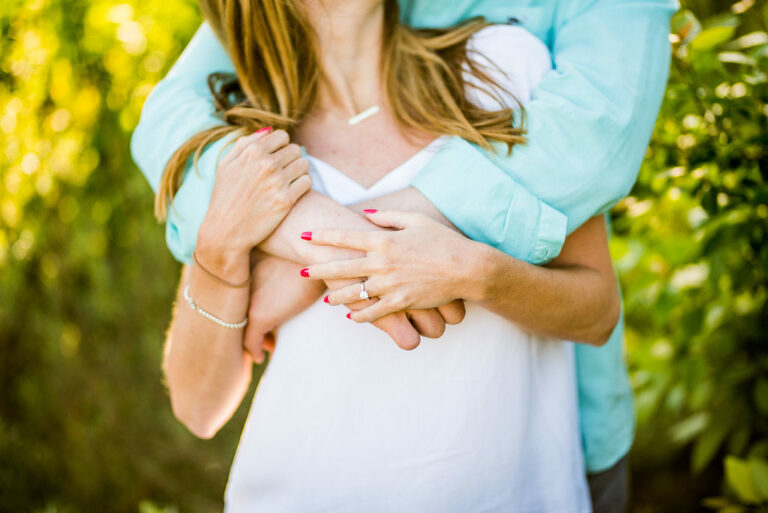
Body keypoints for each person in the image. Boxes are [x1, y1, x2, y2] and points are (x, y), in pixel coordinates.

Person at [131, 1, 676, 511]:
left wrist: (475, 271)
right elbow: (199, 407)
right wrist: (220, 254)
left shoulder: (504, 69)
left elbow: (597, 311)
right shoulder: (246, 139)